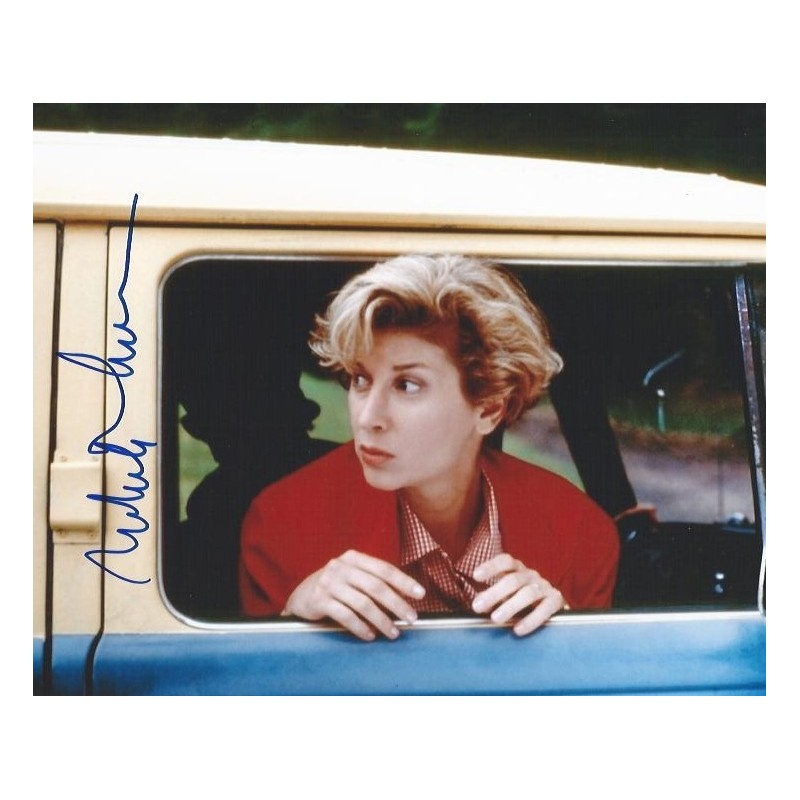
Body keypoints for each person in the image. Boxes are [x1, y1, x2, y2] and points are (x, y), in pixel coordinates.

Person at [239, 254, 619, 640]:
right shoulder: (282, 525)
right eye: (360, 379)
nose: (368, 418)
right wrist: (290, 620)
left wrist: (564, 638)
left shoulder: (581, 534)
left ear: (489, 408)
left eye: (407, 385)